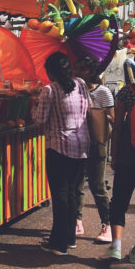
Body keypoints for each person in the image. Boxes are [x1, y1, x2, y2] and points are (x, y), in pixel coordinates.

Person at [32, 52, 90, 256]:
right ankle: (70, 238)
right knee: (73, 193)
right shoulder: (81, 84)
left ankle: (58, 243)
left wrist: (34, 104)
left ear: (51, 72)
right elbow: (87, 108)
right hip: (81, 146)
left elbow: (40, 119)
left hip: (58, 147)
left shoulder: (49, 90)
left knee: (60, 195)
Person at [72, 56, 114, 241]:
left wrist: (95, 113)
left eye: (81, 68)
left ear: (90, 72)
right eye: (76, 67)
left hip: (97, 143)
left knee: (97, 186)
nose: (76, 71)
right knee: (77, 185)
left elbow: (112, 118)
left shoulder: (103, 92)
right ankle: (77, 221)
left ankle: (107, 225)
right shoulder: (74, 90)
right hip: (78, 142)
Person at [106, 59, 135, 262]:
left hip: (128, 153)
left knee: (119, 200)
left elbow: (117, 128)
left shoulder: (127, 92)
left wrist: (114, 155)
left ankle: (116, 246)